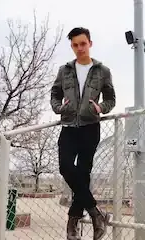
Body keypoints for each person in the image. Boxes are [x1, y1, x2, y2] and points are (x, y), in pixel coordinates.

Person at [50, 27, 116, 240]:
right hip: (69, 127)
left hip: (90, 127)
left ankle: (72, 223)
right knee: (66, 167)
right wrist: (60, 108)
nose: (79, 48)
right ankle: (97, 214)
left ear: (90, 43)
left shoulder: (102, 70)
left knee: (83, 173)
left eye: (83, 44)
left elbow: (110, 98)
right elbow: (54, 95)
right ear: (72, 46)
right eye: (75, 45)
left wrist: (101, 108)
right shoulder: (65, 70)